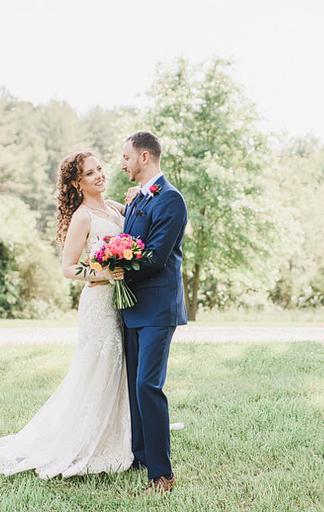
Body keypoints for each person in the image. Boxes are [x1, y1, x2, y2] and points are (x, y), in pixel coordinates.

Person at [0, 151, 134, 479]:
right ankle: (84, 439)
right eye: (90, 174)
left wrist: (136, 195)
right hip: (98, 304)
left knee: (117, 366)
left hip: (120, 303)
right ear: (78, 183)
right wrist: (105, 273)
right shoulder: (83, 217)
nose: (100, 175)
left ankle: (119, 432)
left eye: (100, 168)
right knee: (98, 366)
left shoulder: (114, 207)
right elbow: (67, 268)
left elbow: (136, 219)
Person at [120, 131, 188, 494]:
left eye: (126, 157)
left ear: (144, 157)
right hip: (131, 307)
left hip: (159, 307)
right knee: (134, 386)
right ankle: (141, 455)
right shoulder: (137, 199)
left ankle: (162, 474)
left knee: (149, 384)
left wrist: (116, 268)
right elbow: (127, 241)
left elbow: (155, 256)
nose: (123, 163)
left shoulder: (171, 200)